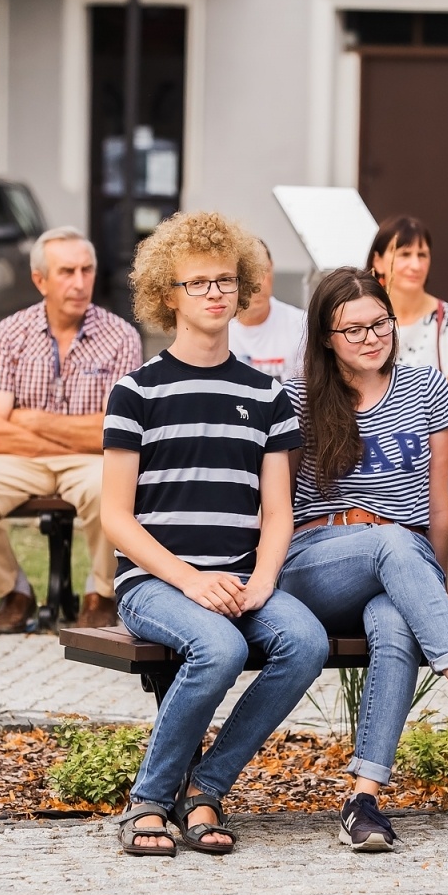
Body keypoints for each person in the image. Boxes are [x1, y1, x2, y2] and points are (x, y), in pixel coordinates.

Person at [278, 267, 448, 852]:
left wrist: (436, 583)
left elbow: (438, 503)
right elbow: (277, 506)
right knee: (392, 542)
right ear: (325, 336)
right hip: (315, 560)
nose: (372, 338)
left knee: (397, 622)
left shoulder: (428, 388)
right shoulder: (297, 398)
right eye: (354, 330)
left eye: (381, 324)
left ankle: (363, 798)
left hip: (401, 562)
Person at [103, 210, 327, 857]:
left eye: (225, 280)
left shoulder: (267, 394)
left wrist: (260, 582)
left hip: (238, 577)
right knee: (221, 650)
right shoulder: (136, 392)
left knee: (305, 641)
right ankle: (148, 799)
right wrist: (191, 581)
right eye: (197, 283)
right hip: (156, 583)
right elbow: (116, 516)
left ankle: (206, 786)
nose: (214, 294)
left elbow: (278, 511)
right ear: (166, 295)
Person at [0, 227, 142, 634]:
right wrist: (76, 431)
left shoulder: (121, 336)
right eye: (67, 271)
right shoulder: (8, 333)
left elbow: (114, 433)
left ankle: (101, 593)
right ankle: (13, 590)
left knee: (111, 490)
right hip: (17, 459)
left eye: (87, 270)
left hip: (91, 461)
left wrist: (32, 419)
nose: (79, 282)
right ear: (40, 280)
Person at [368, 216, 448, 516]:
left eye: (422, 255)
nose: (415, 264)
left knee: (441, 507)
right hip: (368, 448)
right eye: (404, 254)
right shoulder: (361, 321)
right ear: (378, 261)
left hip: (442, 451)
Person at [228, 238, 306, 382]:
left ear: (273, 268)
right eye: (249, 274)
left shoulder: (302, 326)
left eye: (264, 270)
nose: (258, 284)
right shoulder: (218, 331)